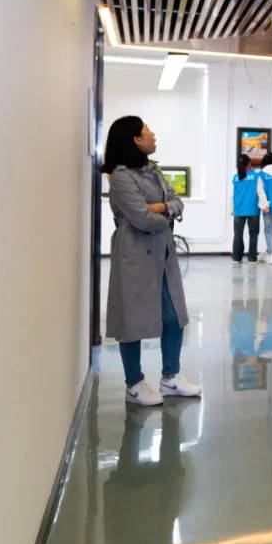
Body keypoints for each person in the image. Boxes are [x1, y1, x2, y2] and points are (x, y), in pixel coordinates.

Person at [103, 116, 201, 406]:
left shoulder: (152, 169)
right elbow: (142, 218)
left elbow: (177, 202)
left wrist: (160, 207)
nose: (153, 134)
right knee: (131, 319)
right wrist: (164, 214)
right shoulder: (121, 176)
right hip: (134, 254)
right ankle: (134, 384)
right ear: (135, 139)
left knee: (174, 316)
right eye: (147, 130)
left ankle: (170, 378)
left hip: (162, 252)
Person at [231, 153, 261, 263]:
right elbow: (260, 192)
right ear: (249, 163)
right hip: (253, 209)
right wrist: (265, 205)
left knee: (238, 234)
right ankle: (252, 259)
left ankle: (236, 257)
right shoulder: (256, 176)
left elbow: (233, 195)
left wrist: (232, 209)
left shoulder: (236, 177)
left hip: (239, 209)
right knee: (253, 235)